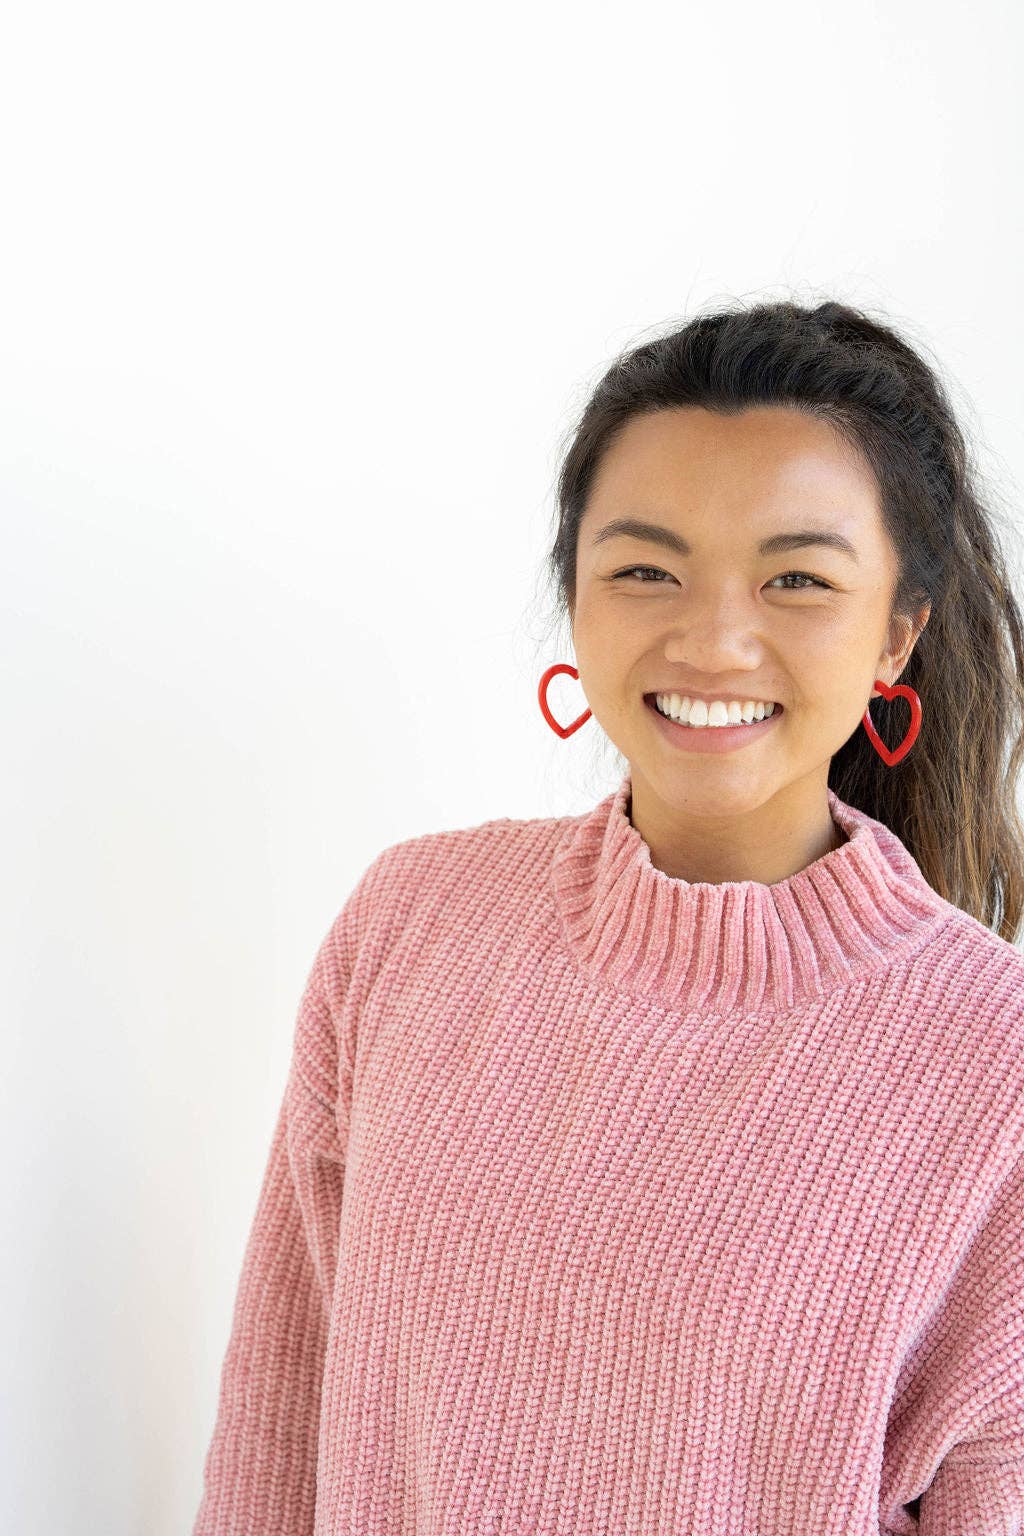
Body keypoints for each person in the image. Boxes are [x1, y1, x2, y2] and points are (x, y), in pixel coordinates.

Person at [191, 298, 1024, 1535]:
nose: (713, 637)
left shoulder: (991, 1056)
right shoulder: (408, 929)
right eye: (644, 569)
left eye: (796, 578)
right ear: (573, 603)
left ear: (896, 632)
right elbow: (282, 1411)